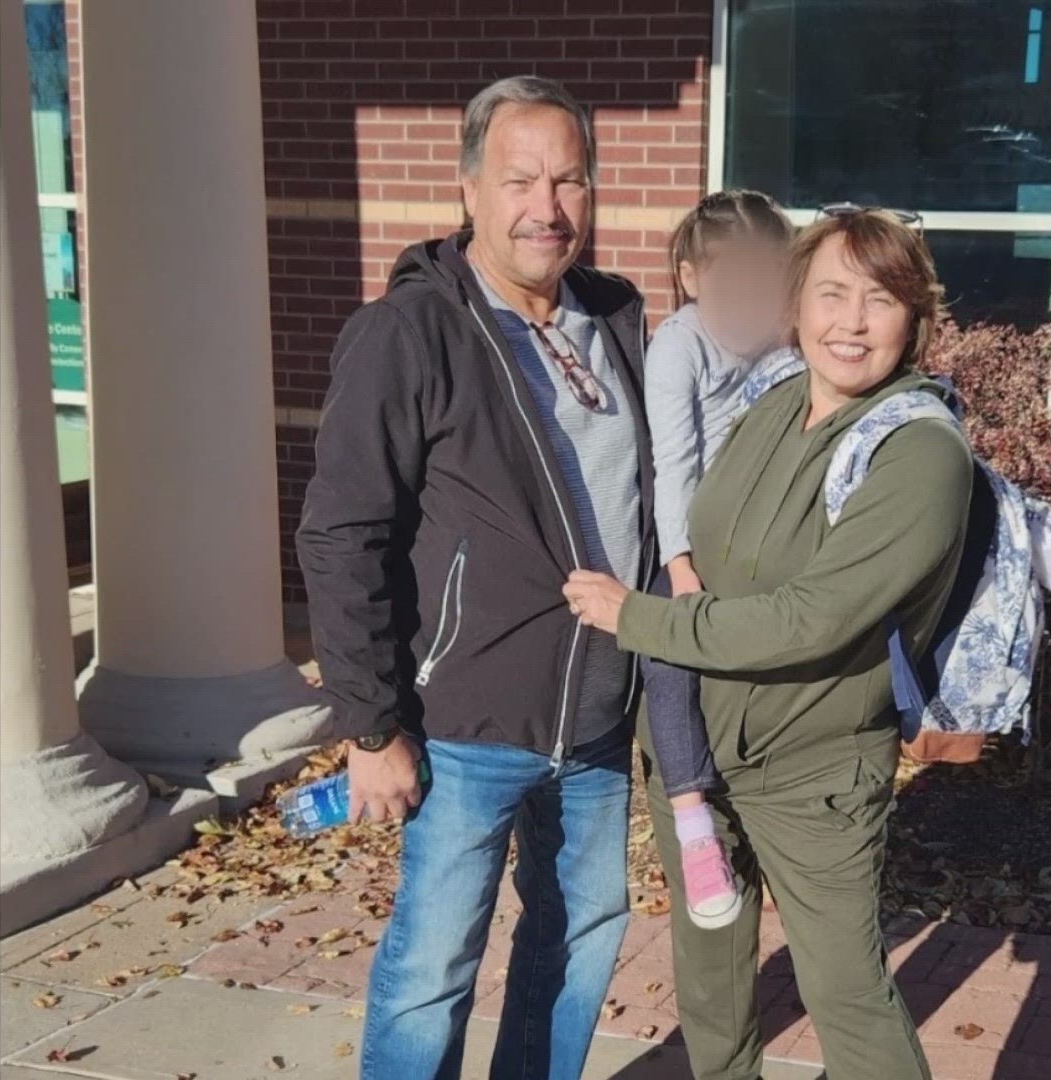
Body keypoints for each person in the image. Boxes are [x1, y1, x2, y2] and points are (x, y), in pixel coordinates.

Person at [295, 75, 653, 1080]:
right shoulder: (410, 333)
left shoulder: (616, 317)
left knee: (577, 943)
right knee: (434, 967)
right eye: (521, 179)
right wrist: (372, 725)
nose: (547, 207)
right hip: (463, 725)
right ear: (468, 189)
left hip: (593, 720)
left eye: (570, 180)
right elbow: (340, 534)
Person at [563, 208, 974, 1080]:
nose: (852, 321)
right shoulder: (776, 399)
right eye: (831, 293)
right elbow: (702, 539)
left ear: (915, 319)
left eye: (881, 299)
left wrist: (638, 618)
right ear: (797, 304)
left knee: (845, 991)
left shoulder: (919, 453)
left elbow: (811, 618)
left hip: (813, 770)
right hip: (696, 752)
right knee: (711, 979)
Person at [640, 189, 794, 929]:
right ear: (692, 276)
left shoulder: (778, 346)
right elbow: (673, 464)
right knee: (667, 663)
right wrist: (679, 566)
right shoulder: (679, 347)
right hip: (686, 539)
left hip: (755, 540)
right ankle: (692, 817)